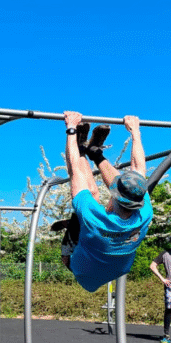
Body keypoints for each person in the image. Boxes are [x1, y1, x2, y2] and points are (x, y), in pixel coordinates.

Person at [61, 110, 153, 292]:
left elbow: (75, 170)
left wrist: (71, 129)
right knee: (124, 186)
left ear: (114, 197)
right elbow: (139, 171)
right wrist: (135, 132)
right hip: (117, 268)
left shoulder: (93, 218)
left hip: (81, 271)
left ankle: (81, 147)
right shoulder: (144, 213)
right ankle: (94, 152)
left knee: (93, 194)